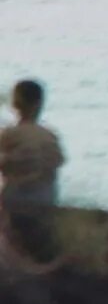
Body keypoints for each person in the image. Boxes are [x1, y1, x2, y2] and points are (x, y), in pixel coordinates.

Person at [0, 80, 66, 263]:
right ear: (40, 104)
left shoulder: (8, 135)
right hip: (43, 201)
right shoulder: (49, 136)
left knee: (14, 250)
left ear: (15, 104)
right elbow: (58, 161)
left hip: (14, 201)